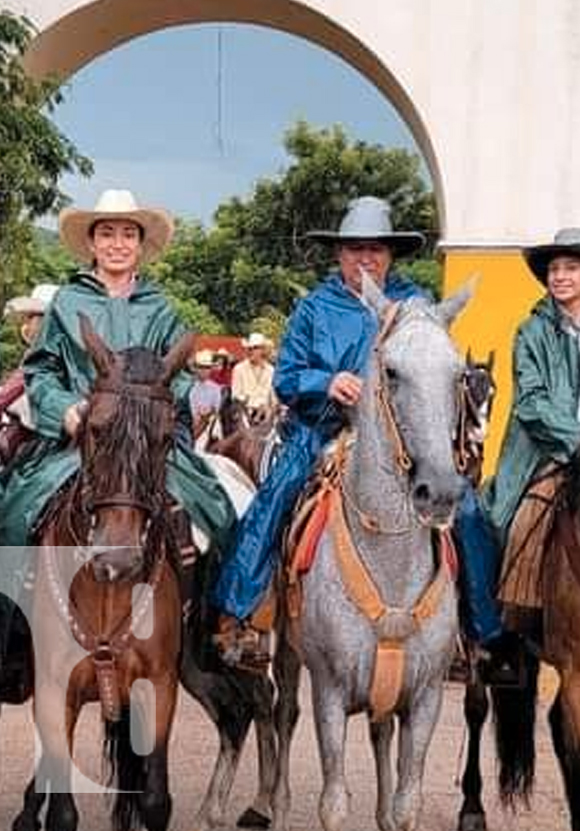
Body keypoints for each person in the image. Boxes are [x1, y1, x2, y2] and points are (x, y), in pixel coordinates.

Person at [209, 195, 506, 664]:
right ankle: (238, 616)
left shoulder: (416, 304)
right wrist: (327, 381)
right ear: (339, 255)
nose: (366, 258)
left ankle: (481, 631)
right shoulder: (313, 308)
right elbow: (286, 377)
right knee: (274, 499)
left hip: (400, 443)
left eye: (377, 250)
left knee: (466, 508)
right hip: (321, 432)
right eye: (355, 250)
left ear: (390, 255)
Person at [0, 188, 235, 556]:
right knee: (11, 518)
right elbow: (41, 369)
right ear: (92, 242)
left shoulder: (160, 308)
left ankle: (206, 611)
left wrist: (156, 411)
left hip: (147, 447)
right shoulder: (67, 302)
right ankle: (5, 610)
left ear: (140, 244)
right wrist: (66, 410)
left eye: (128, 234)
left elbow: (182, 376)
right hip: (76, 443)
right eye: (106, 233)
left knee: (218, 514)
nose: (117, 244)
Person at [483, 227, 580, 633]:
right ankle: (500, 632)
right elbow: (531, 403)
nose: (560, 276)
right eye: (554, 268)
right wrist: (579, 440)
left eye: (571, 267)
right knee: (501, 523)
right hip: (546, 454)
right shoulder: (530, 332)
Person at [0, 283, 58, 472]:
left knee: (4, 450)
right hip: (47, 416)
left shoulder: (47, 350)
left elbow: (20, 381)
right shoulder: (50, 347)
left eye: (34, 316)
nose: (28, 322)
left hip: (46, 424)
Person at [230, 332, 278, 419]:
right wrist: (253, 405)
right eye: (249, 348)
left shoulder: (271, 370)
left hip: (267, 415)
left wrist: (271, 407)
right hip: (244, 415)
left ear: (263, 350)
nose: (251, 351)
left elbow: (273, 396)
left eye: (255, 348)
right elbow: (235, 396)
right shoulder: (239, 369)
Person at [188, 350, 224, 438]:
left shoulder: (216, 388)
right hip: (192, 423)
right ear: (196, 369)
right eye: (201, 367)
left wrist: (208, 413)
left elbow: (217, 409)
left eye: (207, 368)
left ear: (211, 369)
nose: (204, 370)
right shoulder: (189, 387)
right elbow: (191, 409)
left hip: (210, 424)